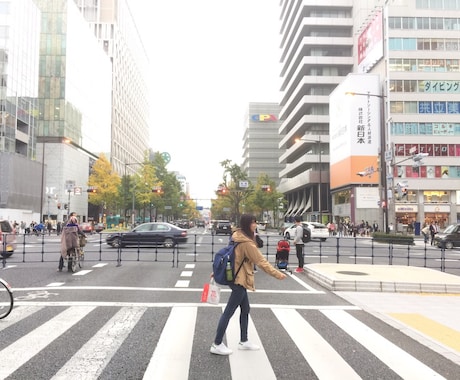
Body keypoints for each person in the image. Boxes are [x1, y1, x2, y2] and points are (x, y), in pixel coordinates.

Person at [210, 214, 286, 356]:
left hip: (236, 277)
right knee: (228, 312)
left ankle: (244, 341)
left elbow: (229, 256)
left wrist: (217, 271)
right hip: (239, 279)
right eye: (253, 223)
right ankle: (217, 343)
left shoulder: (236, 236)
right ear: (247, 224)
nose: (255, 224)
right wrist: (278, 274)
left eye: (255, 222)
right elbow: (261, 261)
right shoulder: (246, 243)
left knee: (245, 309)